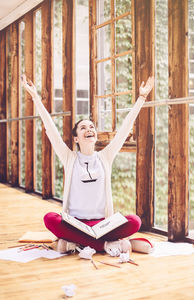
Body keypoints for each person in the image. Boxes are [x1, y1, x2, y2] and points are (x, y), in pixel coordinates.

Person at [22, 74, 154, 255]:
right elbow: (50, 128)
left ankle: (75, 244)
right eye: (83, 128)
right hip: (76, 224)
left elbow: (125, 129)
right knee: (50, 218)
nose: (89, 129)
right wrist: (35, 97)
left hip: (103, 224)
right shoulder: (70, 158)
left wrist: (142, 97)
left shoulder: (105, 157)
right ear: (76, 138)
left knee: (134, 221)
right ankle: (107, 245)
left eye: (91, 127)